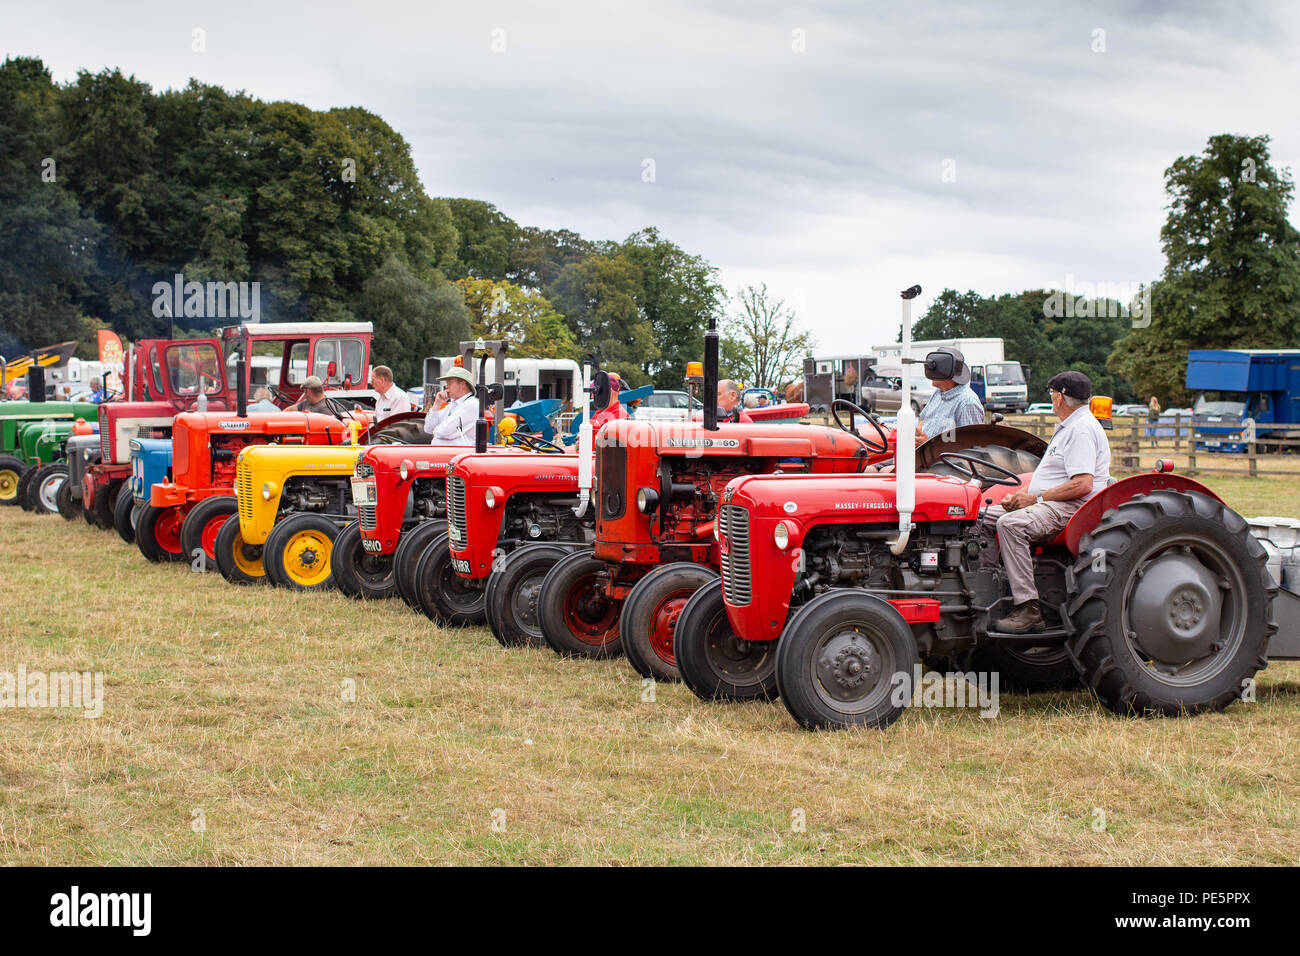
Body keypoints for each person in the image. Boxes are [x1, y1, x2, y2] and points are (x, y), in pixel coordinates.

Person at [978, 370, 1111, 633]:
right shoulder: (1071, 426)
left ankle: (1028, 608)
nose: (1051, 398)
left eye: (1052, 393)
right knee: (977, 516)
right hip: (1049, 504)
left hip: (1071, 508)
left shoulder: (1081, 429)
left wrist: (1034, 498)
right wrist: (1026, 498)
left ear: (1061, 397)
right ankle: (989, 591)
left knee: (1011, 525)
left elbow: (1082, 484)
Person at [916, 347, 985, 441]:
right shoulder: (938, 393)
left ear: (946, 373)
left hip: (939, 455)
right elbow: (924, 420)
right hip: (924, 453)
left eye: (935, 370)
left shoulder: (967, 402)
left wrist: (928, 444)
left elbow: (970, 444)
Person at [424, 366, 479, 445]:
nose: (446, 387)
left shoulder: (471, 405)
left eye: (449, 382)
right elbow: (428, 429)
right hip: (449, 454)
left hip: (460, 455)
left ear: (462, 385)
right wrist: (437, 404)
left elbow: (444, 431)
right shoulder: (452, 405)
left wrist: (435, 433)